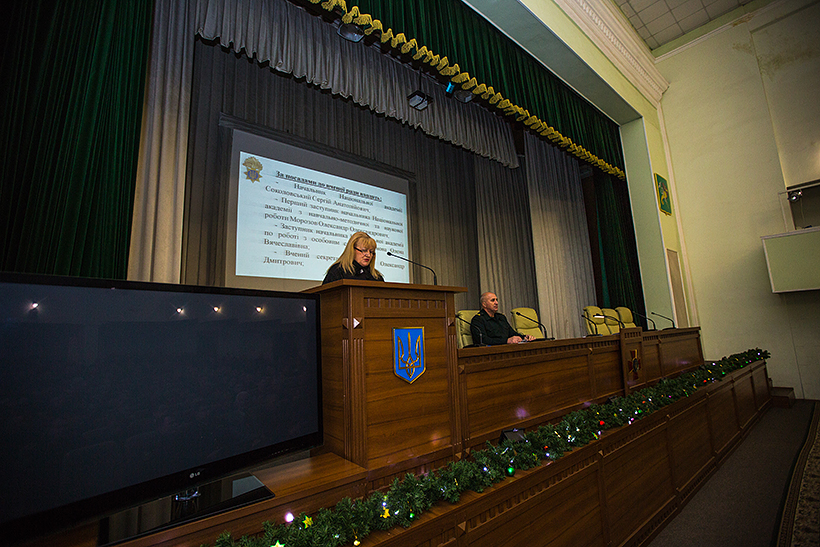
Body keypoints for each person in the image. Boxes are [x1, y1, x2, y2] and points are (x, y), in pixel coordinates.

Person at [470, 292, 535, 345]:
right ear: (484, 304)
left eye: (496, 300)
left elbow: (512, 333)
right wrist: (506, 341)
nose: (496, 303)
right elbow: (483, 340)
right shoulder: (478, 320)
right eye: (492, 300)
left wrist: (524, 337)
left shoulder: (501, 317)